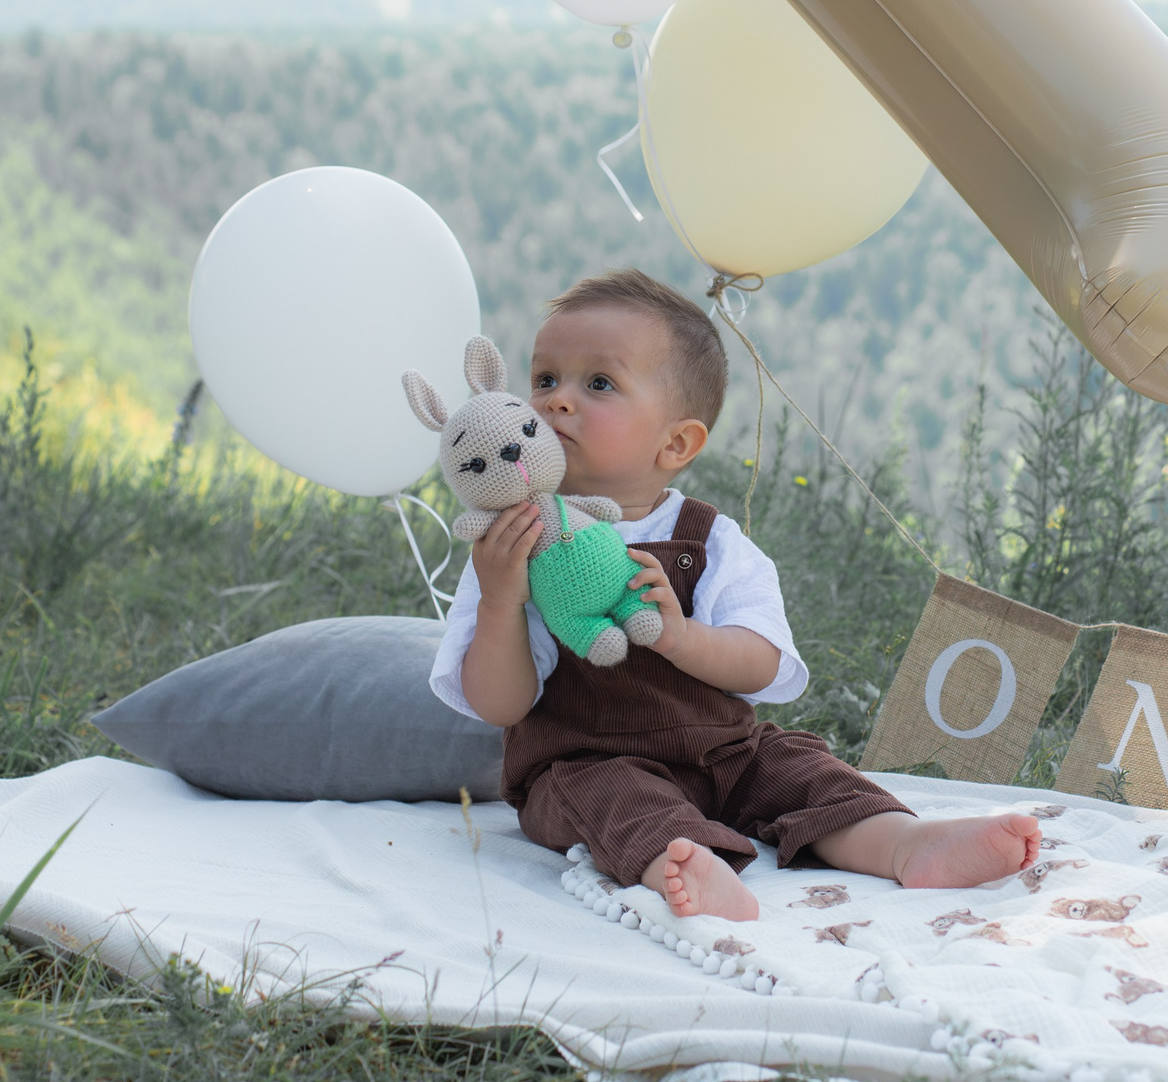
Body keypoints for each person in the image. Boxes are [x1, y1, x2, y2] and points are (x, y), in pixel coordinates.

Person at [430, 268, 1040, 921]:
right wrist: (499, 602)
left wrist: (682, 637)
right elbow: (500, 704)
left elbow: (764, 663)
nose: (556, 402)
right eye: (545, 379)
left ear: (676, 442)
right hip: (588, 758)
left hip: (721, 752)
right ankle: (683, 862)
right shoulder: (510, 547)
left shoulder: (712, 539)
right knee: (606, 796)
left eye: (598, 383)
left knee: (797, 765)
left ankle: (903, 843)